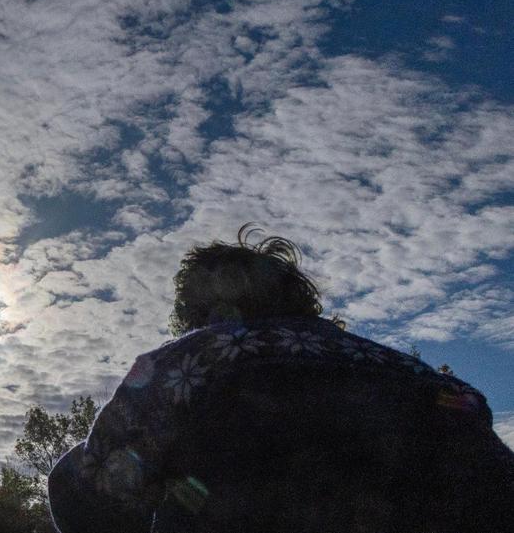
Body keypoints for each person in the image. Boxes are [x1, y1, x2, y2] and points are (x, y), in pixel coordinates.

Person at [48, 224, 514, 533]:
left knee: (71, 475)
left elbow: (97, 485)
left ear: (197, 309)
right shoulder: (417, 374)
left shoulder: (189, 361)